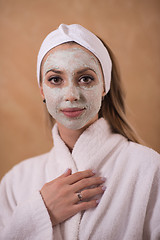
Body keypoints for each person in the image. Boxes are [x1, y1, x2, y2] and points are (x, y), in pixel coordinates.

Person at [0, 24, 159, 240]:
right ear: (41, 89)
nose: (71, 95)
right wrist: (40, 212)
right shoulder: (15, 181)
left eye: (85, 79)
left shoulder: (149, 169)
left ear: (104, 85)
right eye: (56, 79)